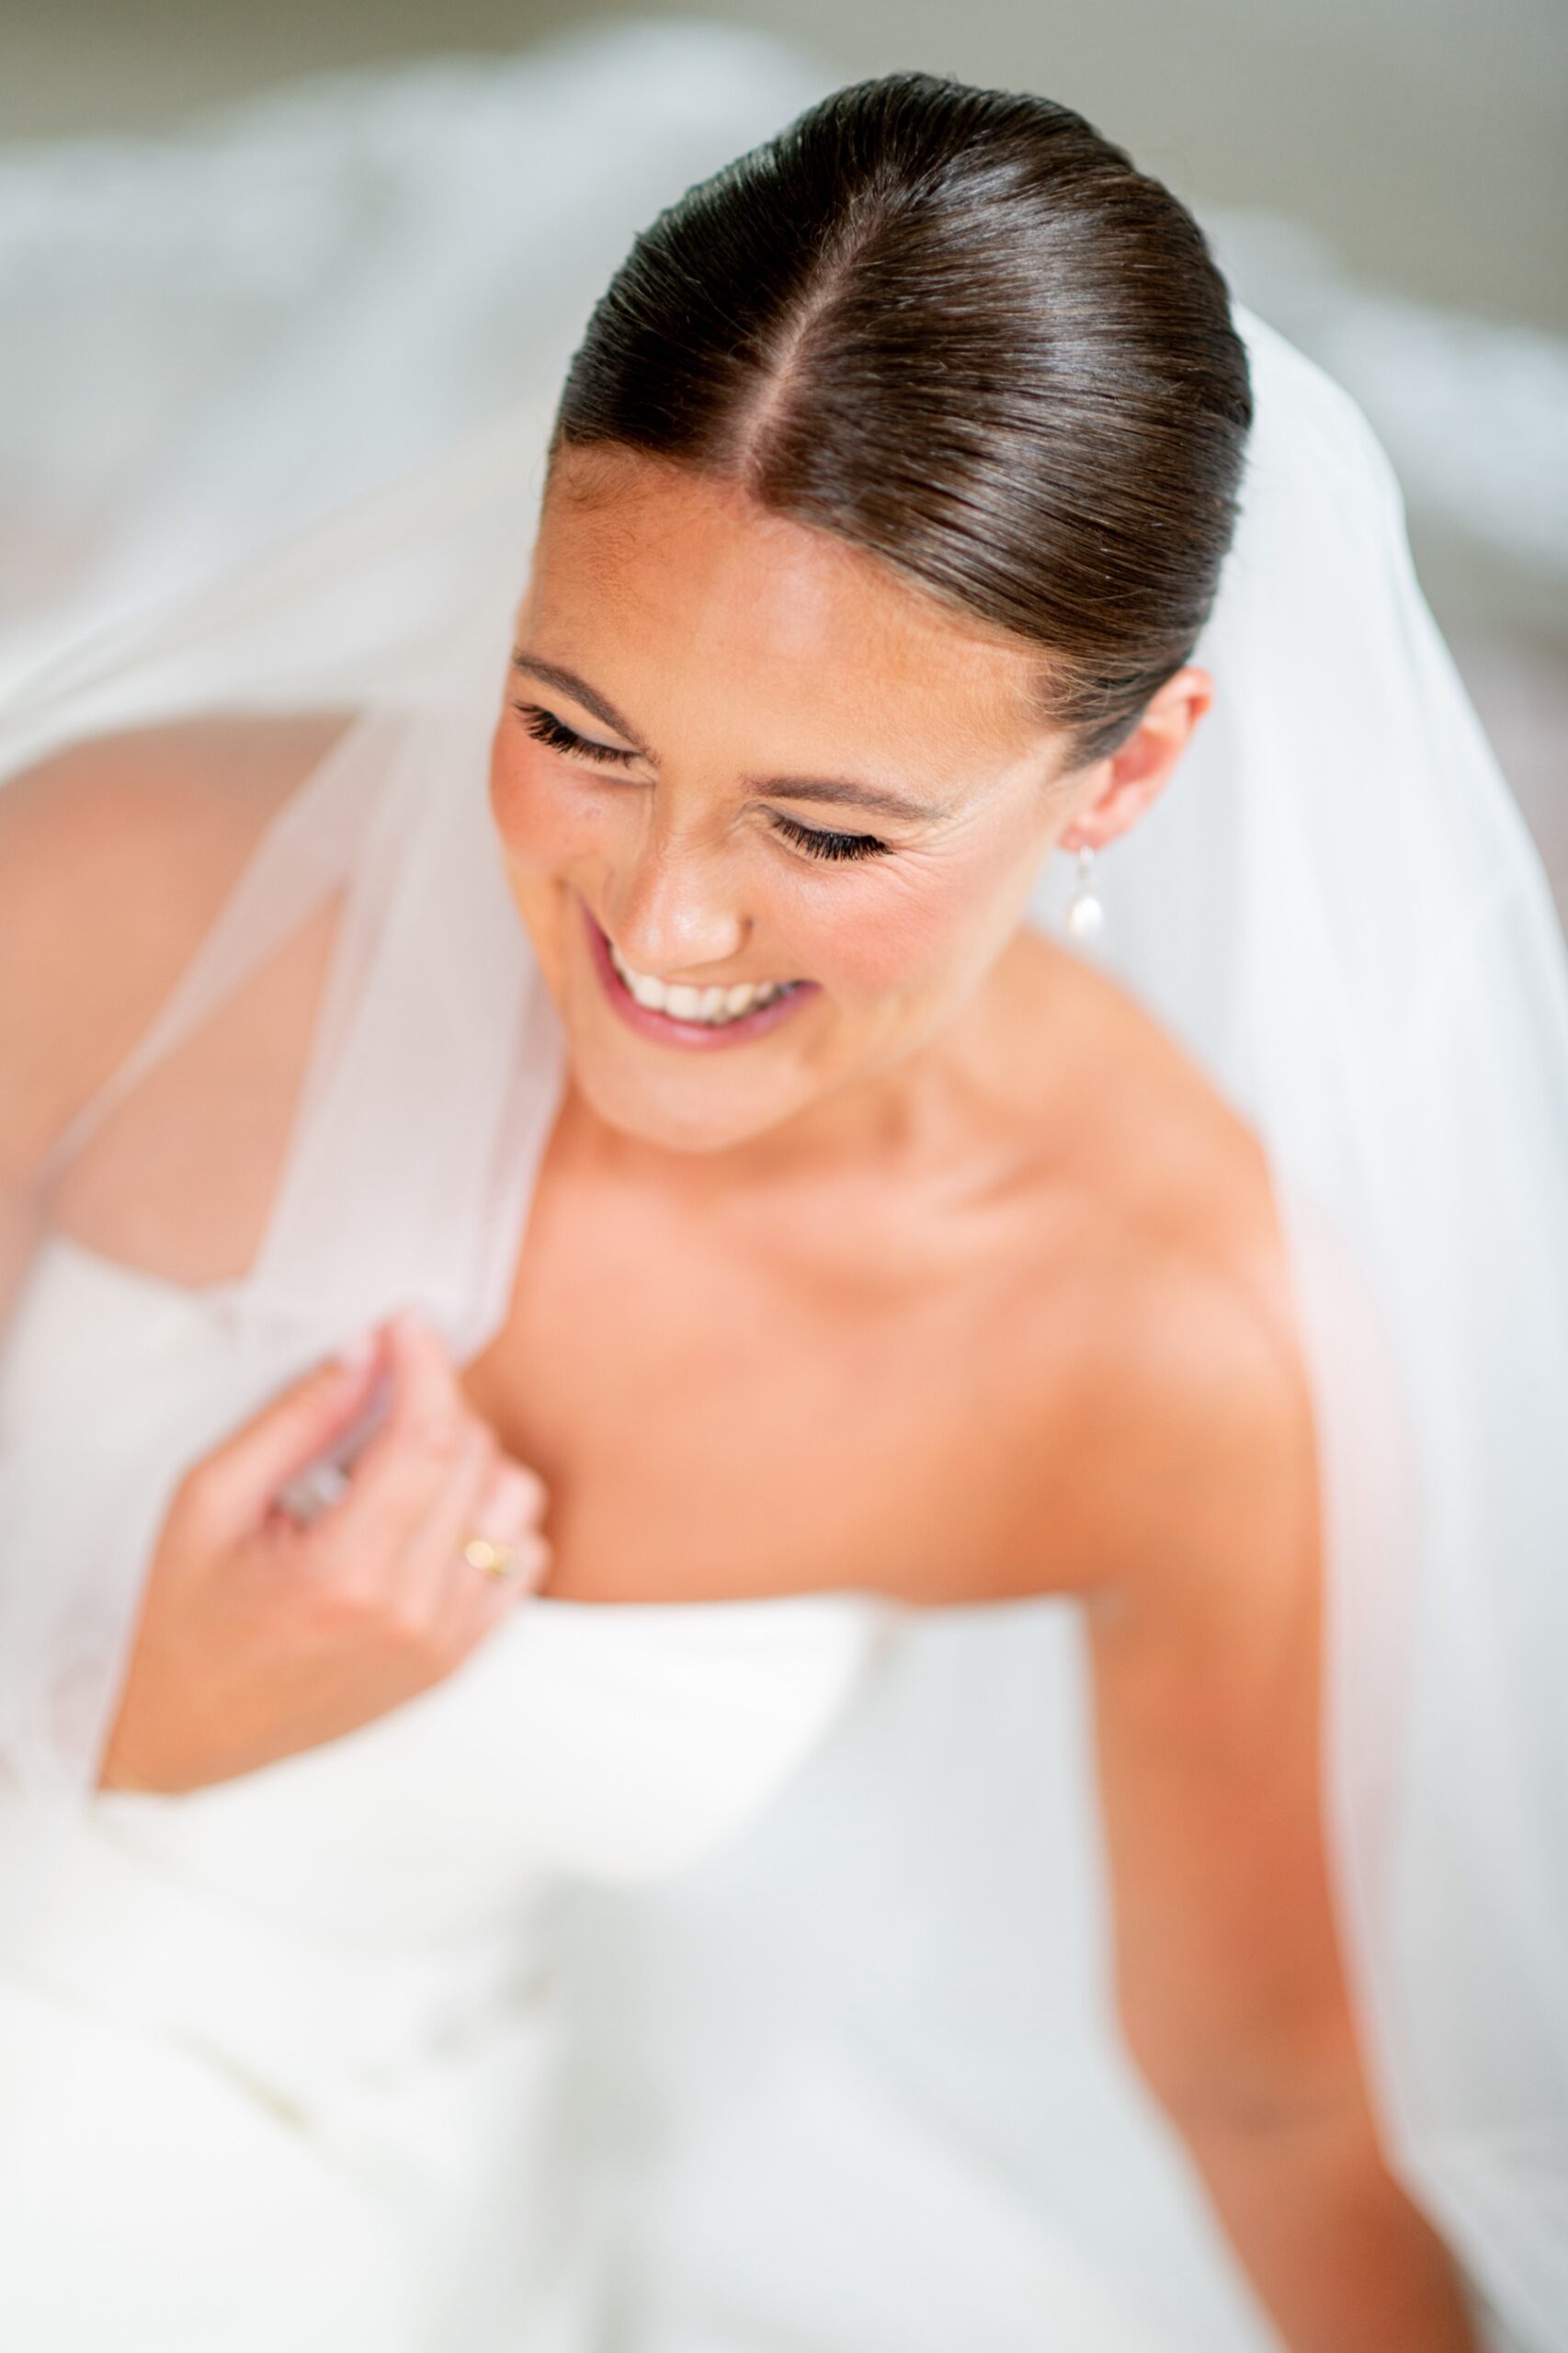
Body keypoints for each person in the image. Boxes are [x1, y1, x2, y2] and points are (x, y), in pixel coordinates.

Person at [0, 63, 1562, 2353]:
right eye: (576, 724)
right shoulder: (105, 891)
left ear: (1127, 767)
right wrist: (113, 1720)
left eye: (827, 832)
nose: (661, 915)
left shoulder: (1174, 1338)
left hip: (401, 2237)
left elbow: (1265, 2097)